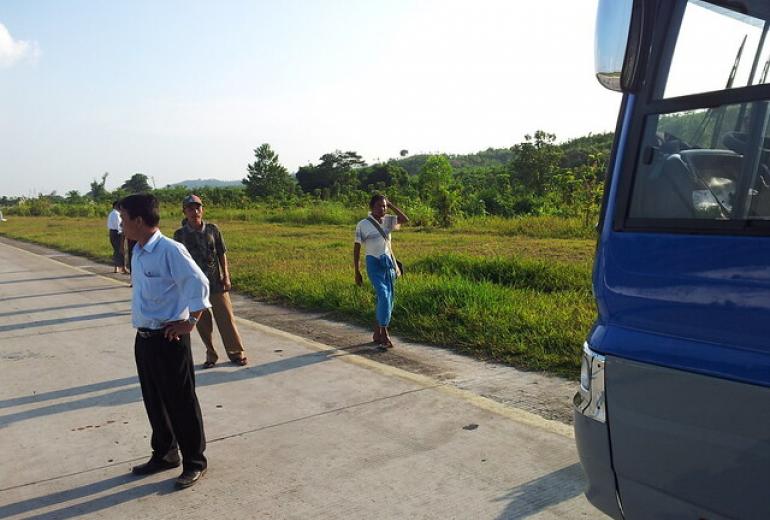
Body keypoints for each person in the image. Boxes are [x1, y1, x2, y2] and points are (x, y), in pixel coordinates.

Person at [119, 193, 210, 489]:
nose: (121, 225)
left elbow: (199, 283)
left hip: (169, 339)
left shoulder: (171, 250)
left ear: (139, 220)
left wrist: (191, 322)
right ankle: (165, 453)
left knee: (180, 402)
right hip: (144, 337)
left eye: (124, 219)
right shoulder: (138, 250)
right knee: (154, 400)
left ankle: (194, 461)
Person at [173, 194, 248, 368]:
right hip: (194, 286)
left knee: (226, 319)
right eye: (190, 209)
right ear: (184, 212)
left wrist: (226, 275)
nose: (195, 211)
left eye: (197, 208)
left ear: (202, 209)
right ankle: (211, 355)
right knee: (202, 323)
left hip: (215, 283)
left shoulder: (212, 229)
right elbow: (178, 261)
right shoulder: (180, 235)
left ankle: (236, 353)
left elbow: (221, 252)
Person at [353, 194, 409, 348]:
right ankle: (384, 333)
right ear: (371, 207)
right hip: (373, 264)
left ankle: (377, 332)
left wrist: (391, 205)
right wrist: (357, 271)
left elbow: (405, 219)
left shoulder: (388, 221)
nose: (382, 209)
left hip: (388, 263)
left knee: (388, 299)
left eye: (384, 206)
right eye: (379, 206)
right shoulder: (363, 224)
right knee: (384, 296)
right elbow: (357, 249)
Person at [107, 201, 126, 274]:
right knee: (121, 250)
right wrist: (123, 232)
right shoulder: (117, 214)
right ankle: (122, 267)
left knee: (116, 250)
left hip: (112, 232)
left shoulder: (111, 214)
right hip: (117, 233)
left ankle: (116, 267)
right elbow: (119, 225)